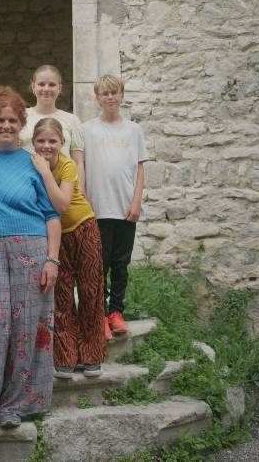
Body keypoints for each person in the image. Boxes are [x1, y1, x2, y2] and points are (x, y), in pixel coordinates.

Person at [0, 86, 61, 428]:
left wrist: (52, 259)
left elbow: (52, 214)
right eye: (0, 120)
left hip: (32, 250)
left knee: (26, 329)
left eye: (12, 120)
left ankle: (15, 406)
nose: (6, 125)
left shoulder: (34, 162)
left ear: (21, 124)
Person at [30, 118, 107, 378]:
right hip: (55, 236)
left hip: (84, 229)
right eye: (41, 141)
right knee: (60, 297)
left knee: (90, 292)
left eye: (52, 141)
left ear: (62, 142)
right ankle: (65, 355)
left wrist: (45, 173)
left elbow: (62, 204)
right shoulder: (29, 163)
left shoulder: (68, 165)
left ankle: (92, 354)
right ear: (33, 143)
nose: (46, 146)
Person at [82, 75, 148, 339]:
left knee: (121, 264)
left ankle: (116, 312)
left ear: (122, 96)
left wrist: (136, 201)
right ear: (97, 97)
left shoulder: (133, 130)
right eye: (105, 93)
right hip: (98, 209)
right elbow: (81, 166)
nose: (110, 97)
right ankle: (99, 315)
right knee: (98, 265)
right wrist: (85, 199)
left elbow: (140, 168)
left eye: (114, 93)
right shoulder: (88, 129)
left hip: (124, 209)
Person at [21, 65, 87, 193]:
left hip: (63, 190)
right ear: (33, 86)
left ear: (60, 88)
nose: (46, 89)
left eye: (51, 84)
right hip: (28, 190)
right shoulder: (20, 116)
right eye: (41, 84)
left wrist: (79, 191)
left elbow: (78, 162)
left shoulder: (72, 120)